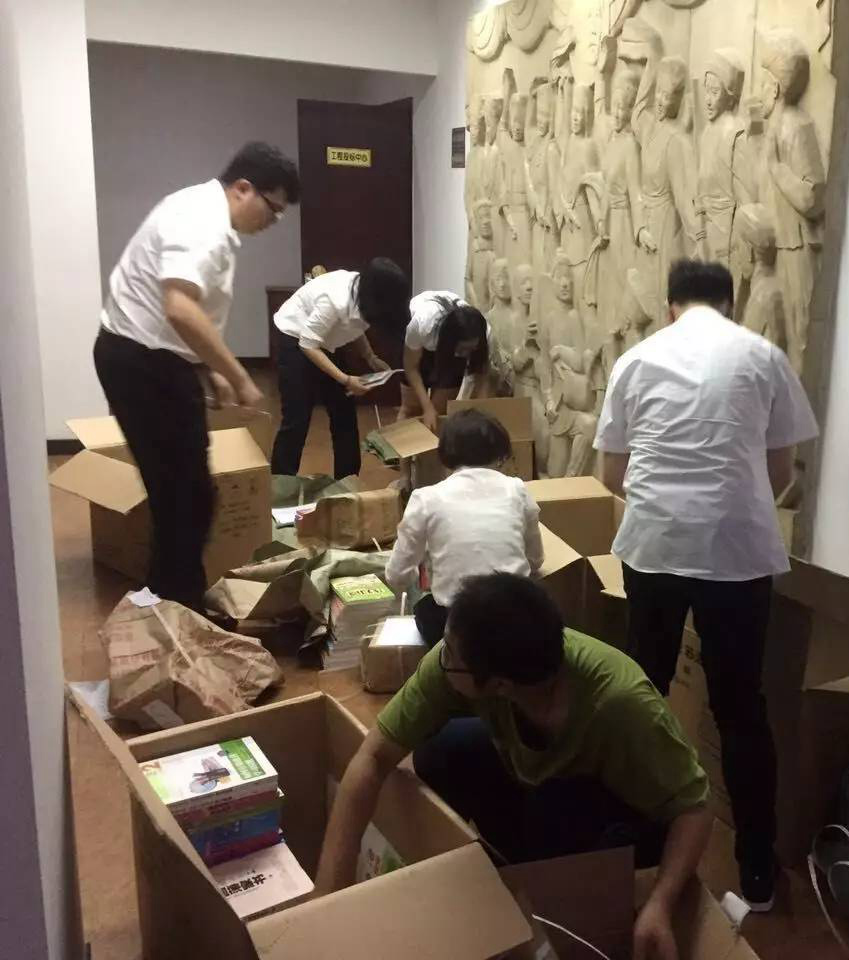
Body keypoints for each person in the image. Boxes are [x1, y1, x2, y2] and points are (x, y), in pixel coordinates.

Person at [315, 573, 712, 960]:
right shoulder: (466, 659)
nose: (441, 658)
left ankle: (548, 886)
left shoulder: (622, 704)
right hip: (539, 784)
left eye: (450, 655)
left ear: (500, 685)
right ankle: (516, 869)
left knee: (555, 809)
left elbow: (694, 808)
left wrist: (660, 903)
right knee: (442, 751)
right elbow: (372, 758)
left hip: (616, 818)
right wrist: (329, 898)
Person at [593, 258, 819, 912]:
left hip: (654, 544)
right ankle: (757, 872)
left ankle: (635, 848)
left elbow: (610, 476)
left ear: (670, 306)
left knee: (644, 692)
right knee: (741, 707)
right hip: (737, 551)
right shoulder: (763, 355)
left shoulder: (637, 359)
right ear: (730, 303)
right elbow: (782, 471)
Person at [93, 141, 298, 611]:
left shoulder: (203, 212)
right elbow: (180, 309)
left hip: (152, 360)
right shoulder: (201, 222)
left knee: (184, 493)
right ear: (243, 188)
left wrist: (206, 368)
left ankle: (167, 599)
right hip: (142, 365)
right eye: (273, 209)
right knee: (184, 496)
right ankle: (176, 605)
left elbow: (185, 312)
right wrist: (238, 375)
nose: (272, 222)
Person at [384, 409, 544, 647]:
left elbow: (396, 575)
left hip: (458, 622)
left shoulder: (425, 498)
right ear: (501, 454)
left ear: (445, 455)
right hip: (515, 617)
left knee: (424, 607)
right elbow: (535, 560)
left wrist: (422, 573)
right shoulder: (516, 489)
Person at [270, 257, 410, 479]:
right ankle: (281, 483)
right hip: (295, 337)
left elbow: (353, 326)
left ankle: (347, 481)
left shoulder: (367, 298)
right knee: (297, 418)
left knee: (344, 414)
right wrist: (345, 379)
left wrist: (370, 357)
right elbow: (307, 344)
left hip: (324, 342)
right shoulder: (335, 300)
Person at [399, 290, 492, 432]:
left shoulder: (485, 334)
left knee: (438, 414)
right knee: (412, 409)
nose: (467, 354)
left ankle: (431, 445)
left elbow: (482, 378)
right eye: (463, 349)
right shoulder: (422, 325)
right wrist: (427, 407)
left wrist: (480, 414)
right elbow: (411, 368)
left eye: (472, 349)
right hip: (423, 345)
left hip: (449, 349)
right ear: (451, 342)